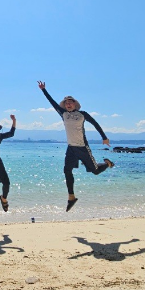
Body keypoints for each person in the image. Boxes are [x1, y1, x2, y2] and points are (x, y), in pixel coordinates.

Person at [37, 81, 114, 212]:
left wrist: (104, 137)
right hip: (71, 148)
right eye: (66, 102)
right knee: (67, 170)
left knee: (95, 171)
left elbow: (95, 124)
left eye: (70, 102)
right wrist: (44, 90)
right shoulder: (63, 114)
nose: (68, 104)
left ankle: (107, 164)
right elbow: (52, 103)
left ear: (75, 104)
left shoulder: (83, 114)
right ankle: (71, 197)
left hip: (82, 147)